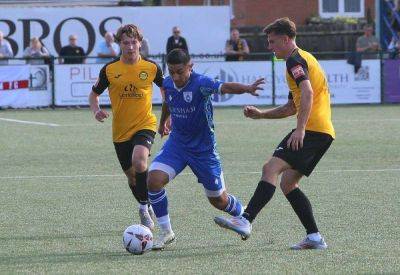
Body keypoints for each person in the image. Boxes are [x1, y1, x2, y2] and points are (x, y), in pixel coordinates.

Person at [214, 17, 335, 250]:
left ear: (287, 39)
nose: (269, 47)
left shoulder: (294, 60)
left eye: (272, 42)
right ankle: (314, 237)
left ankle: (245, 219)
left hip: (312, 130)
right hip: (322, 131)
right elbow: (292, 107)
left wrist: (300, 130)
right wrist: (261, 115)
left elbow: (307, 93)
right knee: (288, 183)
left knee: (271, 168)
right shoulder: (303, 59)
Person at [147, 48, 265, 250]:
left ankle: (242, 213)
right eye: (172, 71)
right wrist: (163, 121)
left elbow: (225, 87)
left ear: (190, 67)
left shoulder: (201, 84)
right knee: (153, 180)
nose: (175, 77)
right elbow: (168, 100)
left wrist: (247, 88)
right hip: (177, 144)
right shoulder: (167, 82)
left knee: (218, 200)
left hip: (204, 150)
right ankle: (166, 232)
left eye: (180, 72)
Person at [88, 24, 164, 230]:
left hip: (145, 124)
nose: (130, 47)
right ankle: (144, 203)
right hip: (120, 130)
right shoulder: (110, 70)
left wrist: (167, 117)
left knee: (139, 162)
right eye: (126, 43)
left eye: (133, 42)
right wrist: (96, 111)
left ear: (140, 43)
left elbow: (166, 89)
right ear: (119, 44)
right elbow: (93, 95)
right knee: (132, 176)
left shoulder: (151, 67)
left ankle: (143, 207)